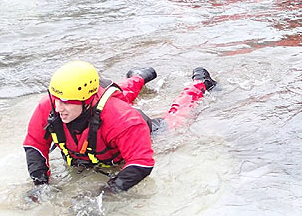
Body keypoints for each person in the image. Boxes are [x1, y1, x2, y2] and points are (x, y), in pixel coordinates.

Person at [23, 61, 217, 194]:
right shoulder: (49, 105)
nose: (58, 108)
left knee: (179, 116)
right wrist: (41, 184)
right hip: (99, 112)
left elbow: (142, 162)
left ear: (86, 100)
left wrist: (106, 193)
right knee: (118, 90)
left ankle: (200, 84)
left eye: (66, 102)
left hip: (141, 129)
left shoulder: (123, 119)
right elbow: (34, 143)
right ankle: (139, 76)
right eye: (56, 99)